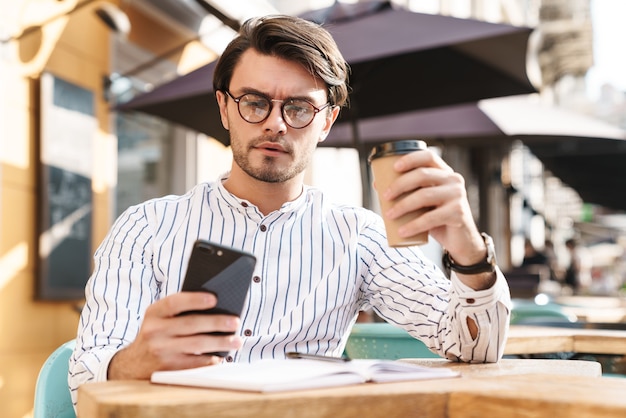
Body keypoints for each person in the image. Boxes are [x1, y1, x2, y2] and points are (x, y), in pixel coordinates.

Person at [69, 15, 511, 403]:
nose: (275, 123)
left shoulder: (359, 234)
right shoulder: (146, 227)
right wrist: (135, 360)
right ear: (224, 107)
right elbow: (81, 376)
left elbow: (474, 348)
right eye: (255, 102)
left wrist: (469, 249)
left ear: (326, 122)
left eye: (298, 108)